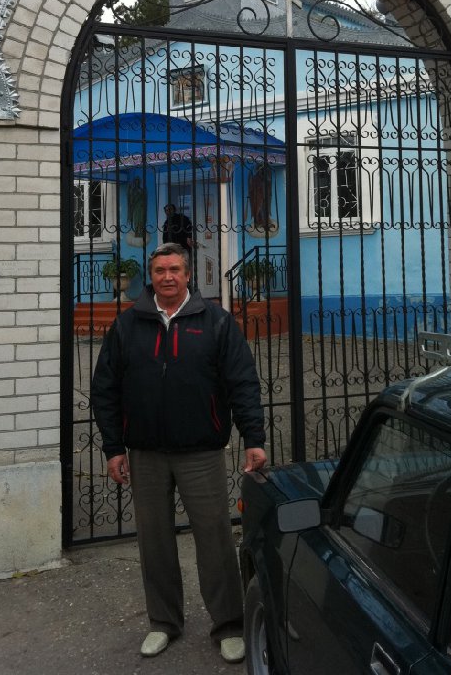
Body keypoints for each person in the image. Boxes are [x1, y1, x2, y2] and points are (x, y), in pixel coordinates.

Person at [91, 243, 267, 663]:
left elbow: (242, 382)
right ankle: (163, 622)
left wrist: (254, 438)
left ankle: (228, 625)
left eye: (174, 269)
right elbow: (105, 388)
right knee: (154, 542)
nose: (167, 277)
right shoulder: (128, 324)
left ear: (189, 275)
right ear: (150, 277)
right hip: (146, 453)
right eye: (159, 270)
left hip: (200, 452)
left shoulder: (216, 322)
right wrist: (114, 447)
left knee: (215, 539)